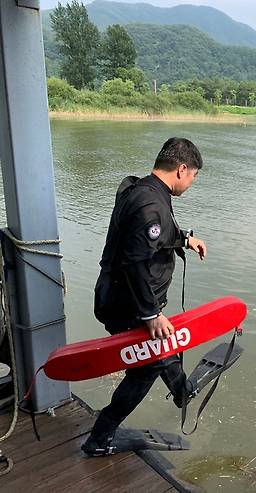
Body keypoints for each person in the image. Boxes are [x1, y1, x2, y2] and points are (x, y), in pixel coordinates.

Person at [82, 137, 208, 456]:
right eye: (193, 176)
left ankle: (182, 390)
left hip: (126, 298)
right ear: (182, 169)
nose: (191, 183)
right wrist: (150, 314)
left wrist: (185, 239)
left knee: (160, 346)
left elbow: (154, 234)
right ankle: (100, 437)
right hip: (127, 305)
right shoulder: (151, 203)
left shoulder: (145, 190)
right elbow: (134, 261)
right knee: (147, 366)